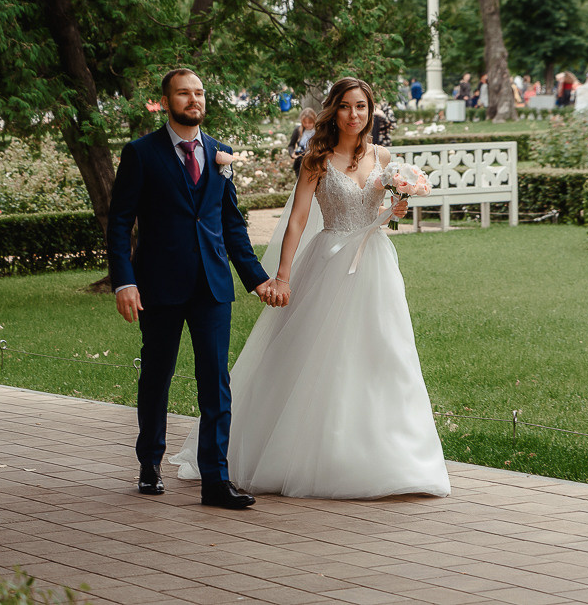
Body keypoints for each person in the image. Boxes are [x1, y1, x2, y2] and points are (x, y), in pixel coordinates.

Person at [171, 77, 450, 499]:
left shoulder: (383, 156)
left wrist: (397, 207)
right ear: (333, 111)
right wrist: (283, 276)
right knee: (315, 355)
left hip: (376, 264)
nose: (354, 115)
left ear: (370, 111)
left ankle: (393, 458)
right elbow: (298, 219)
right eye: (346, 106)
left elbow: (379, 210)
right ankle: (301, 454)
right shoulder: (315, 159)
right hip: (329, 261)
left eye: (362, 106)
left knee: (383, 353)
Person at [107, 68, 280, 510]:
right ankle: (150, 463)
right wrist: (125, 280)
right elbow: (120, 222)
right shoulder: (141, 153)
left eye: (199, 92)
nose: (194, 99)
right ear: (166, 102)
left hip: (212, 286)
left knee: (216, 383)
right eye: (184, 93)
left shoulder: (219, 153)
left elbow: (231, 224)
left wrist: (257, 278)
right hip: (158, 285)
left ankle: (215, 481)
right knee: (157, 375)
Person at [287, 108, 318, 177]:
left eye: (310, 122)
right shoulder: (298, 130)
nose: (307, 125)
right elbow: (291, 145)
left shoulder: (318, 131)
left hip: (315, 163)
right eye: (305, 122)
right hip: (300, 163)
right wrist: (292, 154)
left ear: (314, 121)